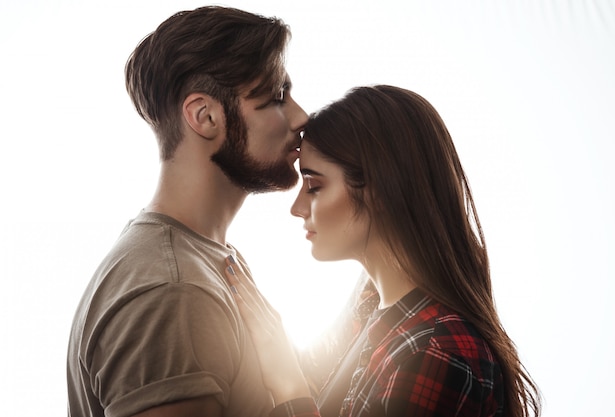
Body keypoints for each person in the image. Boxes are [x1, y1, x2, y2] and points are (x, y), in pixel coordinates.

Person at [226, 85, 542, 417]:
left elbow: (297, 387)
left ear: (382, 189)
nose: (297, 208)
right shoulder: (370, 307)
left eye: (315, 186)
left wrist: (289, 386)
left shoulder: (437, 352)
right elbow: (316, 389)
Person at [66, 6, 307, 417]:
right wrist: (296, 397)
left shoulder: (203, 259)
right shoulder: (173, 292)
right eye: (276, 98)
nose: (301, 117)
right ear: (205, 116)